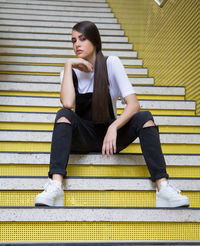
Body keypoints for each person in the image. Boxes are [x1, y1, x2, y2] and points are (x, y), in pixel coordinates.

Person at [35, 21, 189, 208]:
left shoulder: (111, 63)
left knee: (145, 117)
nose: (77, 44)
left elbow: (133, 104)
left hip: (110, 137)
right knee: (62, 114)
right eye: (73, 40)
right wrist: (68, 65)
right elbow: (68, 104)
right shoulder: (69, 72)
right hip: (83, 138)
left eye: (82, 39)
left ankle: (163, 187)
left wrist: (114, 126)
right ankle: (56, 186)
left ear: (95, 41)